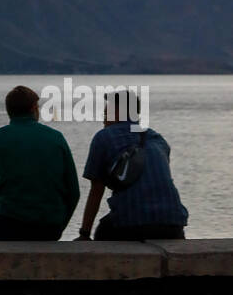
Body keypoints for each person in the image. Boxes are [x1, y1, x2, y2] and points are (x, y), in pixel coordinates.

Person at [0, 84, 79, 240]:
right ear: (33, 109)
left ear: (9, 111)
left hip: (8, 225)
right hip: (49, 227)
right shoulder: (56, 138)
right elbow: (74, 193)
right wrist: (59, 226)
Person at [77, 89, 188, 241]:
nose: (103, 115)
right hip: (174, 223)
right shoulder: (157, 139)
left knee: (102, 233)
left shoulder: (104, 137)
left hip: (131, 222)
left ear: (117, 112)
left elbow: (97, 190)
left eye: (106, 110)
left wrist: (84, 234)